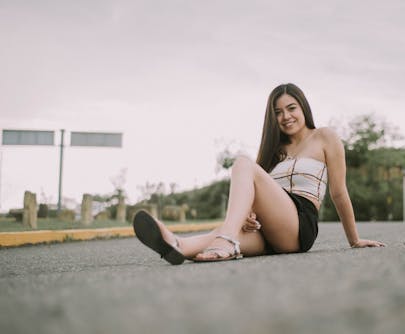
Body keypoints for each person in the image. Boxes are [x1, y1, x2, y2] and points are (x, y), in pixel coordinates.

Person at [133, 83, 385, 265]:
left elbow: (339, 192)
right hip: (270, 230)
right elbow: (255, 195)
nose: (285, 116)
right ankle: (175, 244)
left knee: (242, 163)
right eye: (277, 112)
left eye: (291, 108)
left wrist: (354, 239)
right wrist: (250, 216)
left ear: (303, 108)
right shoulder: (274, 150)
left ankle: (227, 239)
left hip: (299, 224)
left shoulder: (325, 137)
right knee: (207, 242)